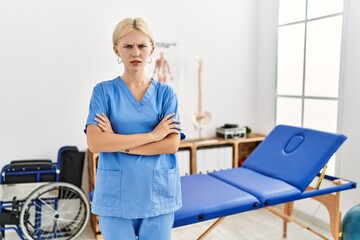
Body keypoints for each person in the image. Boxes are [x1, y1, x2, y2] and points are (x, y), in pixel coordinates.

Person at [85, 17, 185, 240]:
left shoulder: (166, 94)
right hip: (116, 197)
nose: (135, 53)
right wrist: (152, 136)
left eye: (141, 46)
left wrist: (117, 142)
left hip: (157, 195)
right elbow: (95, 143)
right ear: (116, 50)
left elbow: (171, 145)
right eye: (128, 46)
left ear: (152, 49)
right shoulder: (103, 92)